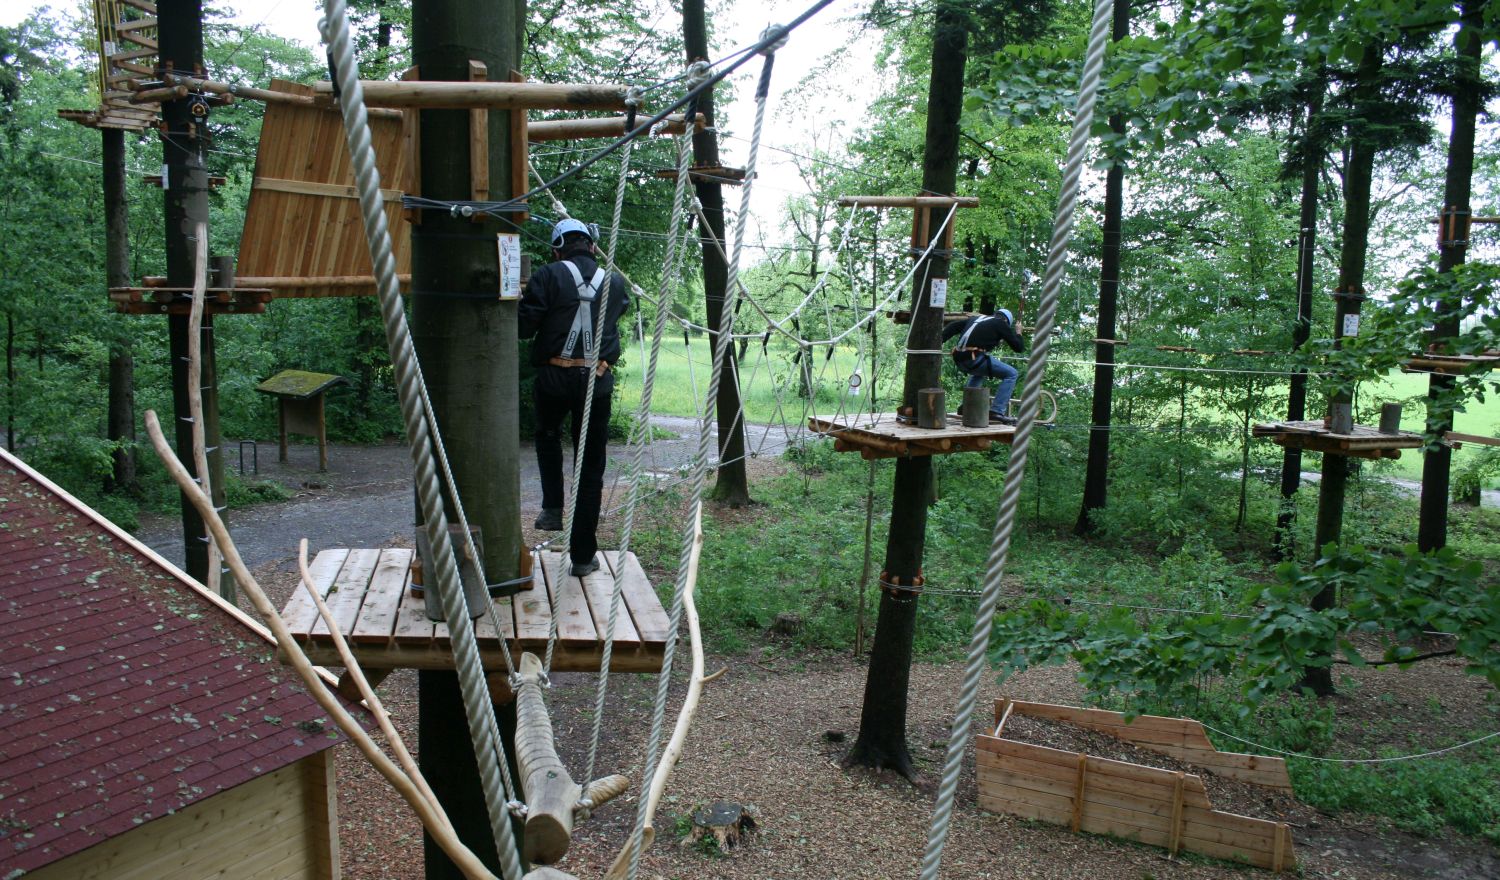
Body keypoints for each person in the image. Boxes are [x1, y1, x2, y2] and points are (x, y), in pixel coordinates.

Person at [518, 218, 630, 577]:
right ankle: (582, 557)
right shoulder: (613, 281)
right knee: (591, 466)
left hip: (554, 375)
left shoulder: (547, 276)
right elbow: (617, 312)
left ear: (557, 248)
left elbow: (523, 328)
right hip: (595, 379)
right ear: (593, 247)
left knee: (548, 435)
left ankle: (552, 507)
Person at [943, 308, 1025, 424]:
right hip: (974, 360)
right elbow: (1018, 347)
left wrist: (939, 341)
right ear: (1006, 321)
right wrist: (1018, 332)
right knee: (1011, 374)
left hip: (959, 359)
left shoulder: (976, 319)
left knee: (980, 372)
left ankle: (967, 406)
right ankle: (997, 411)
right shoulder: (1001, 324)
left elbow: (952, 327)